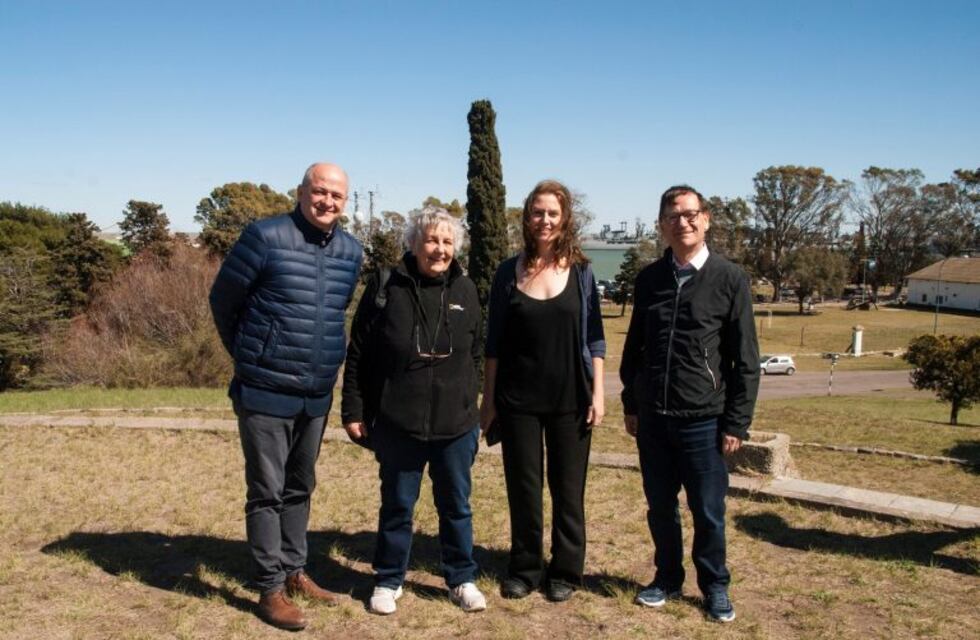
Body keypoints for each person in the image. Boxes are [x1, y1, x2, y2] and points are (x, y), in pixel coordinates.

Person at [209, 162, 362, 631]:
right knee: (266, 491)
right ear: (300, 192)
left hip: (316, 393)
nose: (327, 202)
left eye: (337, 196)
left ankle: (295, 571)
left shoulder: (351, 251)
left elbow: (336, 313)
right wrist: (253, 355)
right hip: (264, 390)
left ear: (345, 202)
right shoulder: (264, 236)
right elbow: (223, 301)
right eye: (319, 192)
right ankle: (269, 588)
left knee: (301, 487)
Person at [619, 185, 759, 623]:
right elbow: (635, 350)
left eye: (691, 213)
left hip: (705, 421)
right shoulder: (649, 279)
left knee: (708, 512)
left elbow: (746, 359)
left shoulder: (729, 278)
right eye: (674, 215)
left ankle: (715, 586)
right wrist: (631, 401)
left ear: (707, 219)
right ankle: (666, 578)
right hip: (654, 421)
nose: (684, 221)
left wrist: (736, 422)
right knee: (660, 507)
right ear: (662, 225)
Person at [341, 207, 486, 615]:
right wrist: (353, 408)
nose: (439, 249)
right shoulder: (387, 285)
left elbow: (475, 352)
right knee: (397, 506)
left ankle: (461, 577)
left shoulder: (466, 289)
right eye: (431, 240)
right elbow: (359, 354)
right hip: (398, 423)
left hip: (455, 427)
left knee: (456, 506)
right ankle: (388, 579)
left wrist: (468, 404)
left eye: (447, 241)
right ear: (414, 243)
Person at [480, 179, 606, 603]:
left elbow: (596, 340)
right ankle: (525, 567)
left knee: (569, 491)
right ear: (527, 217)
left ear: (565, 217)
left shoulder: (583, 270)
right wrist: (489, 399)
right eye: (538, 212)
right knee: (524, 489)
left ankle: (566, 571)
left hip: (571, 399)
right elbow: (493, 343)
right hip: (518, 402)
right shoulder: (507, 271)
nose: (545, 220)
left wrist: (599, 393)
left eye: (553, 212)